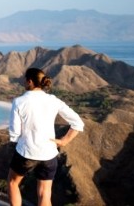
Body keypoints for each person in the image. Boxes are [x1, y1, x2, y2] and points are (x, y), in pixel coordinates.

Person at [8, 67, 84, 206]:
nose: (24, 82)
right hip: (49, 154)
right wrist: (64, 141)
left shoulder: (19, 101)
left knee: (13, 183)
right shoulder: (53, 100)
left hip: (26, 152)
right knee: (44, 193)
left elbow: (14, 133)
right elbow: (78, 123)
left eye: (25, 80)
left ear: (30, 82)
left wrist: (20, 140)